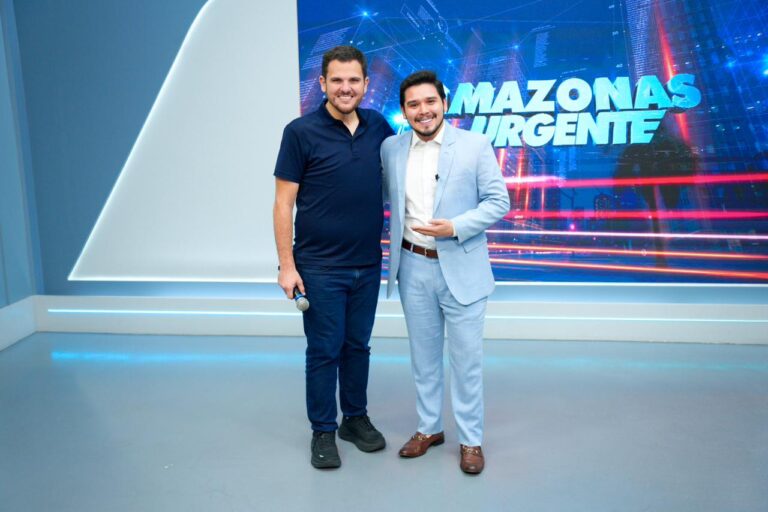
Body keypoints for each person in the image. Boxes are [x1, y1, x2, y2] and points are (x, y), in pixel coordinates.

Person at [381, 70, 509, 474]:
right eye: (413, 105)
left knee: (466, 360)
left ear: (444, 103)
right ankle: (429, 428)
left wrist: (455, 226)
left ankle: (470, 440)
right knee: (423, 356)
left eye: (430, 102)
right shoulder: (390, 148)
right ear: (404, 111)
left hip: (462, 265)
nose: (423, 111)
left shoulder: (475, 145)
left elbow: (498, 201)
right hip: (411, 266)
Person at [272, 45, 394, 469]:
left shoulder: (379, 127)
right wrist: (287, 266)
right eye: (337, 80)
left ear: (366, 84)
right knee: (324, 349)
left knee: (357, 346)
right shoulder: (300, 132)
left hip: (367, 264)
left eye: (353, 80)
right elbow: (283, 204)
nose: (346, 88)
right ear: (322, 83)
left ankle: (354, 419)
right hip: (319, 268)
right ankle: (323, 430)